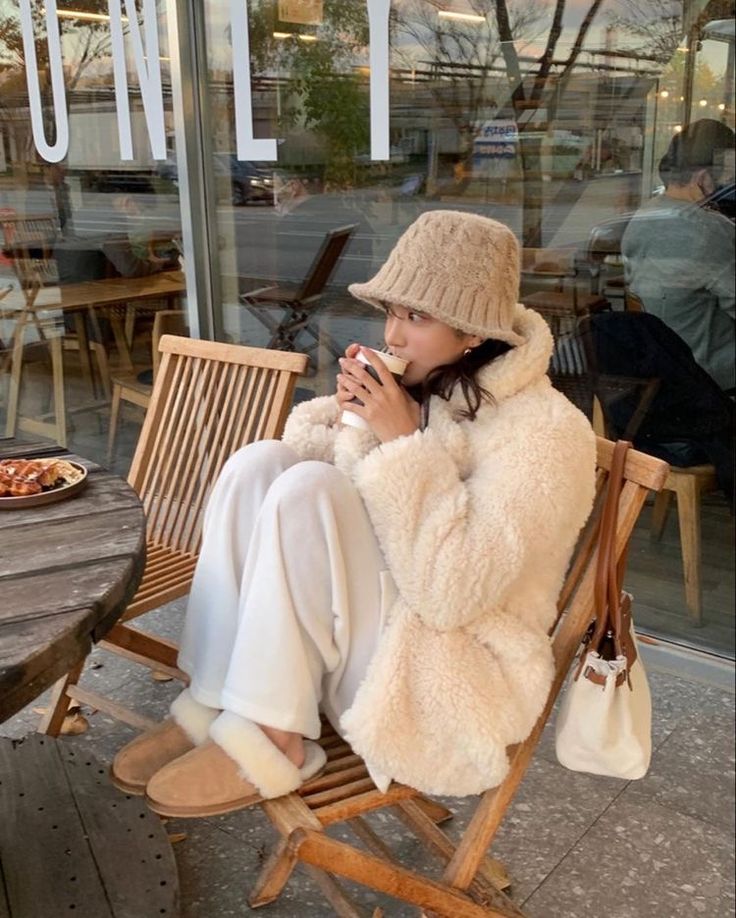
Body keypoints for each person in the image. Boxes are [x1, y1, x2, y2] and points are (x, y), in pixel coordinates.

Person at [111, 210, 596, 818]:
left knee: (308, 486)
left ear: (472, 332)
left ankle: (274, 737)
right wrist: (347, 420)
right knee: (260, 463)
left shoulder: (544, 434)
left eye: (416, 317)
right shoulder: (429, 385)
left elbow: (452, 595)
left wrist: (401, 446)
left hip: (446, 672)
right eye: (391, 311)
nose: (392, 335)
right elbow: (336, 514)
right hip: (377, 630)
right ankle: (215, 700)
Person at [622, 119, 735, 393]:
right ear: (703, 178)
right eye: (728, 177)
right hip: (710, 374)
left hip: (661, 367)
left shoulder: (643, 216)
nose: (730, 184)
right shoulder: (710, 231)